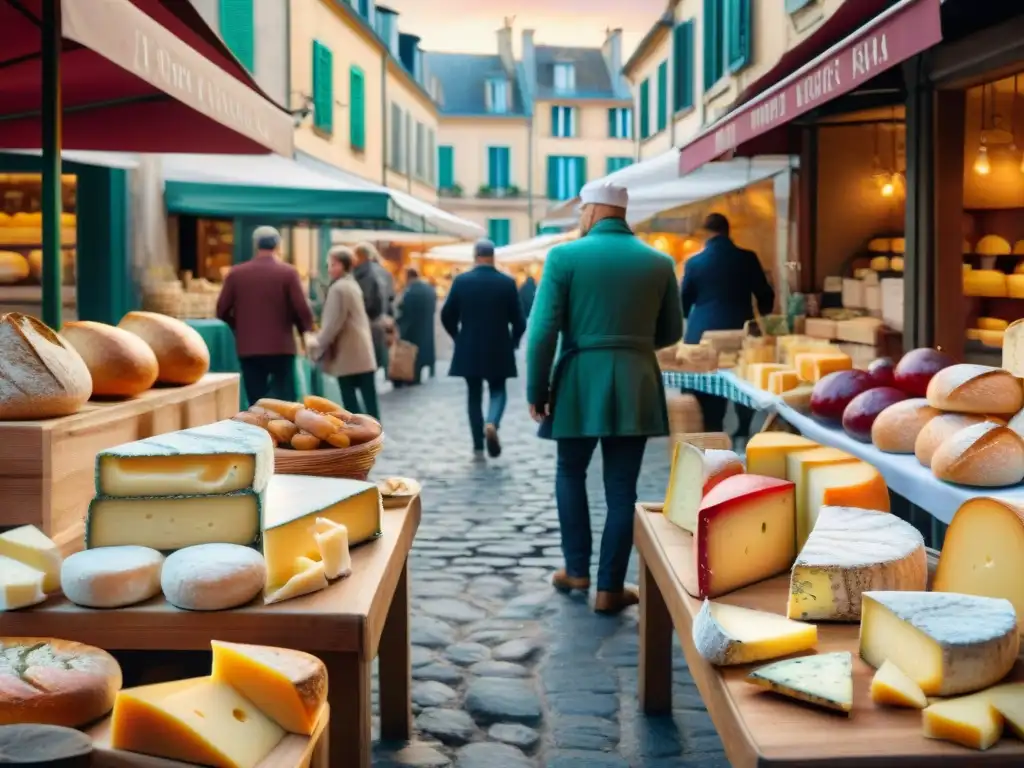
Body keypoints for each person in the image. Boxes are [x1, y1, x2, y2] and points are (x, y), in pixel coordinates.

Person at [526, 181, 682, 615]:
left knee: (570, 473)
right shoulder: (658, 262)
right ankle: (610, 587)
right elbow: (672, 332)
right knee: (621, 489)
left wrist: (537, 390)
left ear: (593, 211)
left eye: (581, 212)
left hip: (579, 379)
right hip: (636, 380)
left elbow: (541, 332)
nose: (580, 219)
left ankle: (576, 570)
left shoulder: (564, 256)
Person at [680, 213, 775, 437]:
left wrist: (691, 317)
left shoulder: (694, 263)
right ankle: (743, 428)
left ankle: (714, 431)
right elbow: (765, 294)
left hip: (702, 332)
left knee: (708, 383)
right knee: (742, 381)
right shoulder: (747, 258)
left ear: (706, 233)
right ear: (728, 231)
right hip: (739, 329)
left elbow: (684, 299)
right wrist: (763, 317)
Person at [441, 239, 525, 459]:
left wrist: (458, 337)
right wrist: (514, 342)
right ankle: (492, 422)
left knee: (473, 395)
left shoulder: (461, 281)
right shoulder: (507, 282)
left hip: (469, 347)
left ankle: (478, 443)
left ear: (475, 256)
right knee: (498, 390)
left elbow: (447, 314)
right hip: (499, 346)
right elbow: (519, 320)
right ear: (493, 256)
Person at [216, 225, 314, 405]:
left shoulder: (236, 273)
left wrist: (241, 325)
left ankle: (259, 432)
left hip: (249, 347)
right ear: (278, 245)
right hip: (281, 347)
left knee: (256, 401)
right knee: (285, 401)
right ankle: (282, 433)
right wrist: (304, 330)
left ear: (255, 245)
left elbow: (221, 310)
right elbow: (301, 309)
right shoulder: (288, 272)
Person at [308, 247, 379, 419]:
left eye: (332, 265)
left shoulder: (338, 288)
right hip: (362, 352)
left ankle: (362, 438)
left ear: (341, 265)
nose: (330, 269)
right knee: (370, 400)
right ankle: (375, 433)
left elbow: (332, 324)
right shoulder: (351, 284)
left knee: (351, 403)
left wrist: (316, 345)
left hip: (348, 354)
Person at [352, 242, 395, 374]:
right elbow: (391, 298)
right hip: (382, 322)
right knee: (374, 362)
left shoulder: (361, 273)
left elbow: (366, 300)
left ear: (360, 256)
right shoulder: (384, 273)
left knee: (365, 365)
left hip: (366, 323)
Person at [395, 267, 436, 384]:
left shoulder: (410, 291)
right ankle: (424, 373)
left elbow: (402, 309)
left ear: (408, 277)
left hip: (411, 328)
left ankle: (412, 378)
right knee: (424, 352)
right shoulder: (429, 289)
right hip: (426, 326)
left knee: (412, 355)